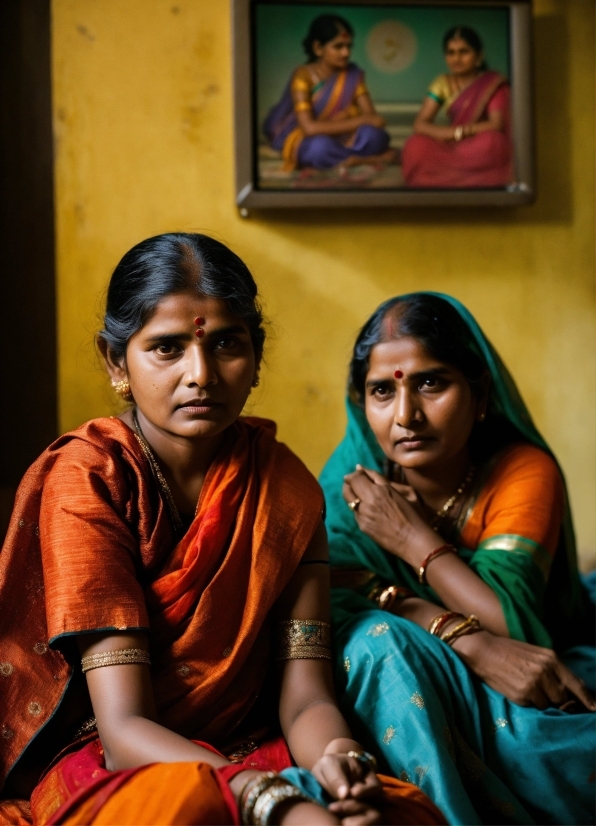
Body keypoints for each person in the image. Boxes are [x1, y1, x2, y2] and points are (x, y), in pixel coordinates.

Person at [0, 238, 446, 826]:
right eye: (167, 348)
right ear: (116, 362)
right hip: (120, 761)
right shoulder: (90, 479)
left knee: (397, 812)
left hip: (251, 745)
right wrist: (271, 799)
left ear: (256, 356)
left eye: (226, 344)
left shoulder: (282, 486)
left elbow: (306, 695)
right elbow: (123, 727)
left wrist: (340, 760)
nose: (202, 374)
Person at [320, 293, 596, 825]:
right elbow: (323, 598)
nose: (406, 415)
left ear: (481, 392)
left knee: (549, 748)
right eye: (382, 390)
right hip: (422, 665)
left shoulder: (521, 471)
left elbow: (511, 626)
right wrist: (458, 634)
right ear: (361, 404)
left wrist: (409, 538)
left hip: (537, 664)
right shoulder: (348, 481)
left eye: (430, 382)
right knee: (377, 645)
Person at [263, 15, 391, 171]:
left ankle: (347, 159)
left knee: (375, 136)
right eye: (338, 46)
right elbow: (309, 128)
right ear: (318, 48)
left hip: (345, 137)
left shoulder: (352, 74)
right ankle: (367, 159)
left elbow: (373, 119)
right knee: (319, 148)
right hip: (308, 137)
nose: (346, 53)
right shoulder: (303, 76)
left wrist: (358, 124)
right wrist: (355, 121)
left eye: (349, 46)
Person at [401, 27, 513, 188]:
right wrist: (449, 134)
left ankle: (440, 179)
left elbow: (496, 124)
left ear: (479, 56)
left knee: (494, 142)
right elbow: (420, 124)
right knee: (415, 145)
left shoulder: (492, 84)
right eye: (450, 52)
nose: (456, 58)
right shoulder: (442, 83)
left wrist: (462, 132)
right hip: (449, 145)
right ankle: (467, 179)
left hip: (478, 145)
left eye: (464, 52)